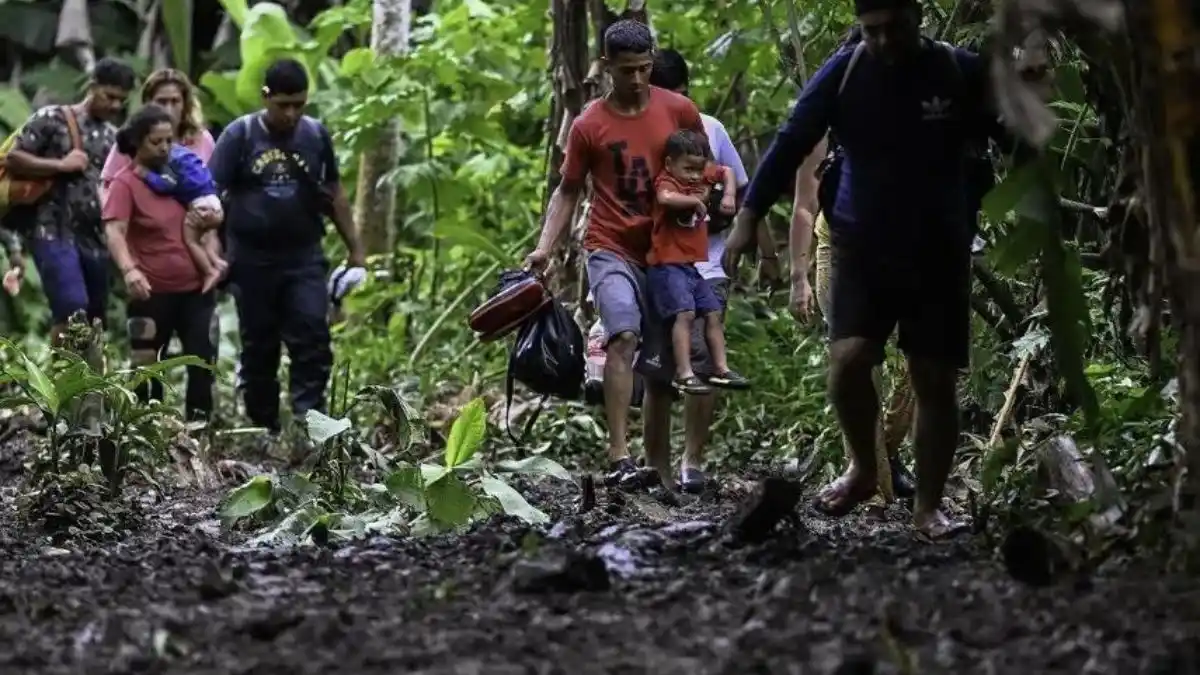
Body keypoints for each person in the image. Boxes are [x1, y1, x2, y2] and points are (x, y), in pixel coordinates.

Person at [723, 0, 1008, 538]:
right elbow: (793, 138)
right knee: (850, 359)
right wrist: (750, 214)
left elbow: (1010, 131)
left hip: (938, 247)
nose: (883, 40)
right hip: (861, 243)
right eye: (871, 30)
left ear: (917, 16)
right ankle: (861, 466)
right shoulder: (848, 70)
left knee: (934, 377)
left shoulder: (956, 69)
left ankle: (928, 507)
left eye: (894, 27)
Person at [524, 20, 707, 490]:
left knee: (662, 364)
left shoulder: (680, 111)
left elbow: (700, 169)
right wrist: (545, 248)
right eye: (627, 71)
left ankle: (659, 468)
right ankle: (619, 453)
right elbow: (567, 191)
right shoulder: (589, 125)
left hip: (665, 252)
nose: (639, 79)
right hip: (609, 246)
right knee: (623, 334)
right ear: (606, 67)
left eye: (646, 68)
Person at [208, 58, 366, 443]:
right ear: (266, 97)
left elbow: (334, 194)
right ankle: (264, 424)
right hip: (251, 259)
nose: (291, 113)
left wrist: (356, 250)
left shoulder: (315, 136)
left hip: (303, 256)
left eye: (299, 104)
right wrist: (214, 252)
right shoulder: (240, 136)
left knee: (312, 334)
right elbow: (208, 199)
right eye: (283, 105)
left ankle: (308, 420)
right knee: (259, 342)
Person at [647, 48, 765, 492]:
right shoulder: (643, 133)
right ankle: (654, 462)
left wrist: (763, 250)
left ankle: (691, 460)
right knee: (657, 366)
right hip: (658, 262)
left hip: (707, 261)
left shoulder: (710, 129)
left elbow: (744, 187)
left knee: (705, 361)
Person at [2, 57, 135, 341]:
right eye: (109, 96)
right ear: (92, 86)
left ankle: (87, 382)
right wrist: (60, 166)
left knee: (96, 319)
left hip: (94, 235)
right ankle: (63, 380)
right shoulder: (52, 118)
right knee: (71, 307)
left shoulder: (115, 138)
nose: (114, 105)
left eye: (120, 101)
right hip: (50, 228)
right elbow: (14, 158)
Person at [101, 104, 217, 420]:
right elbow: (115, 232)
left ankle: (198, 431)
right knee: (146, 364)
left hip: (196, 290)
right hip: (151, 292)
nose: (165, 147)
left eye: (169, 140)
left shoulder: (180, 174)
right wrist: (129, 270)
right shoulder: (125, 184)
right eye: (157, 141)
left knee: (202, 359)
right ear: (138, 142)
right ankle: (147, 431)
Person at [100, 68, 226, 291]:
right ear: (148, 103)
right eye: (161, 102)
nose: (169, 109)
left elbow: (213, 187)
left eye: (175, 101)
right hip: (150, 255)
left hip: (197, 242)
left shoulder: (201, 139)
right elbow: (108, 189)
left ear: (185, 103)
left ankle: (211, 268)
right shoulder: (133, 141)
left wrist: (212, 242)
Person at [648, 129, 746, 395]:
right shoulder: (668, 181)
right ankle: (684, 372)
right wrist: (694, 200)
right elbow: (664, 198)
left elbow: (726, 171)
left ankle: (721, 368)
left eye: (698, 169)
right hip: (667, 264)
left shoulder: (700, 173)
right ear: (670, 164)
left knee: (712, 314)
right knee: (686, 314)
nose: (694, 175)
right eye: (688, 169)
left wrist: (727, 195)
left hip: (691, 267)